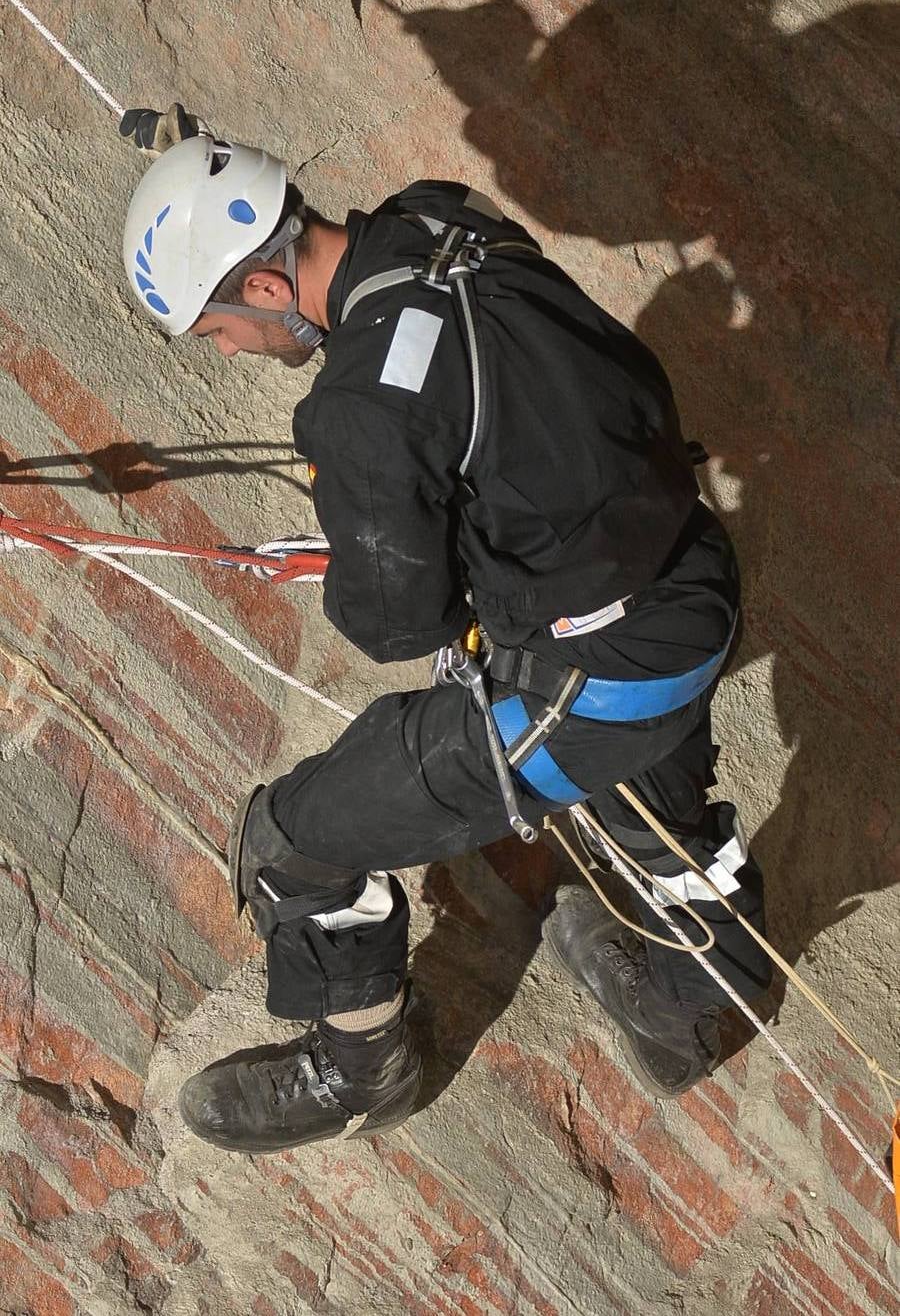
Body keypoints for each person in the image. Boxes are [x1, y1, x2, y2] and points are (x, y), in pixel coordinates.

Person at [120, 104, 771, 1154]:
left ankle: (362, 1068)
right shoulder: (438, 219)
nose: (237, 350)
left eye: (225, 329)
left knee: (294, 836)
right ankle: (703, 994)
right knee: (618, 742)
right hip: (685, 569)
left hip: (602, 673)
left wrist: (365, 513)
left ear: (268, 286)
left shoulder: (361, 412)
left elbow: (395, 620)